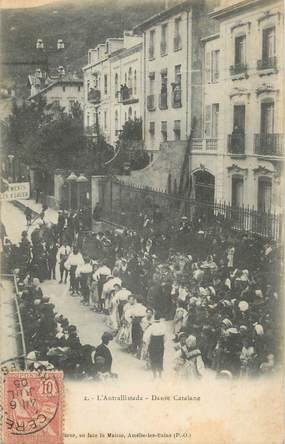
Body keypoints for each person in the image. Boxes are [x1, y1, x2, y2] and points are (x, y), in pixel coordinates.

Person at [145, 313, 166, 378]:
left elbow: (146, 337)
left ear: (154, 318)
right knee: (160, 358)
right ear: (160, 319)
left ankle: (154, 376)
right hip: (160, 343)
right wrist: (163, 343)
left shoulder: (152, 326)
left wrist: (147, 344)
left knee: (153, 358)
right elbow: (165, 337)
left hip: (153, 343)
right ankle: (160, 375)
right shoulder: (163, 326)